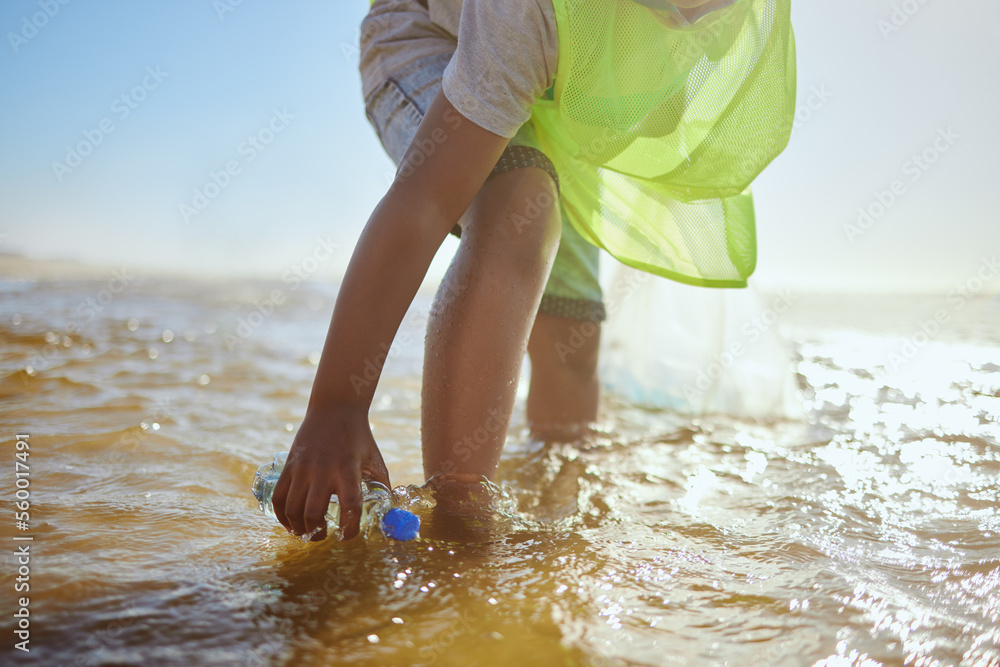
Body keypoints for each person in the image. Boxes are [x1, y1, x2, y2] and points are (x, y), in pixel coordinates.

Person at [272, 0, 796, 540]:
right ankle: (460, 519)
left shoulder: (732, 17)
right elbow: (424, 204)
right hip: (428, 39)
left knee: (573, 338)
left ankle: (558, 518)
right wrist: (338, 405)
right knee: (519, 208)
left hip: (554, 102)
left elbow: (659, 111)